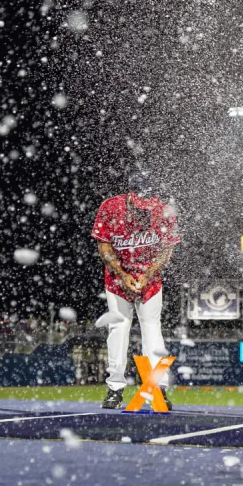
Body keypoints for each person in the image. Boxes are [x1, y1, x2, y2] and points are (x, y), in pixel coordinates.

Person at [91, 171, 180, 409]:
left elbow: (166, 250)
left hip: (149, 279)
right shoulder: (111, 207)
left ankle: (157, 388)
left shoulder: (163, 211)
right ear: (131, 195)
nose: (144, 210)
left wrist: (148, 273)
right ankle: (115, 389)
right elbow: (104, 246)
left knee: (152, 329)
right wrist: (123, 274)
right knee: (118, 328)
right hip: (118, 278)